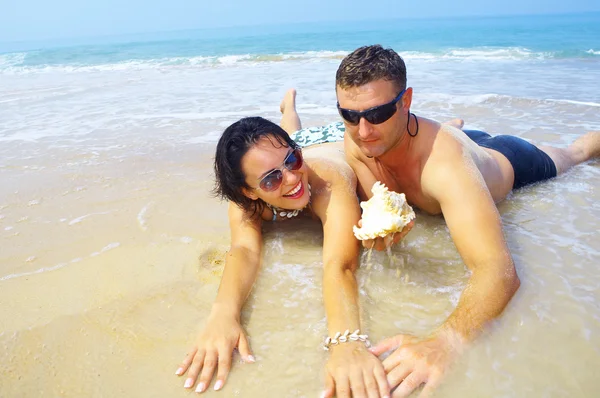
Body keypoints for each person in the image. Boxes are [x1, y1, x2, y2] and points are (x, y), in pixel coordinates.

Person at [332, 44, 600, 397]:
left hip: (507, 159)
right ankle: (454, 126)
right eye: (349, 115)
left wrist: (448, 342)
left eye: (378, 113)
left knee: (572, 156)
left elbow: (498, 271)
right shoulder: (360, 140)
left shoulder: (446, 166)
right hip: (446, 140)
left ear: (406, 100)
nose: (363, 130)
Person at [175, 90, 391, 398]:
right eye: (270, 181)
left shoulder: (327, 180)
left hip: (335, 144)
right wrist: (223, 314)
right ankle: (289, 107)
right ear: (249, 192)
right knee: (289, 133)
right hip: (300, 143)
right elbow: (245, 250)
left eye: (293, 159)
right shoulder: (246, 201)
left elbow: (339, 263)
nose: (291, 178)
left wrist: (345, 341)